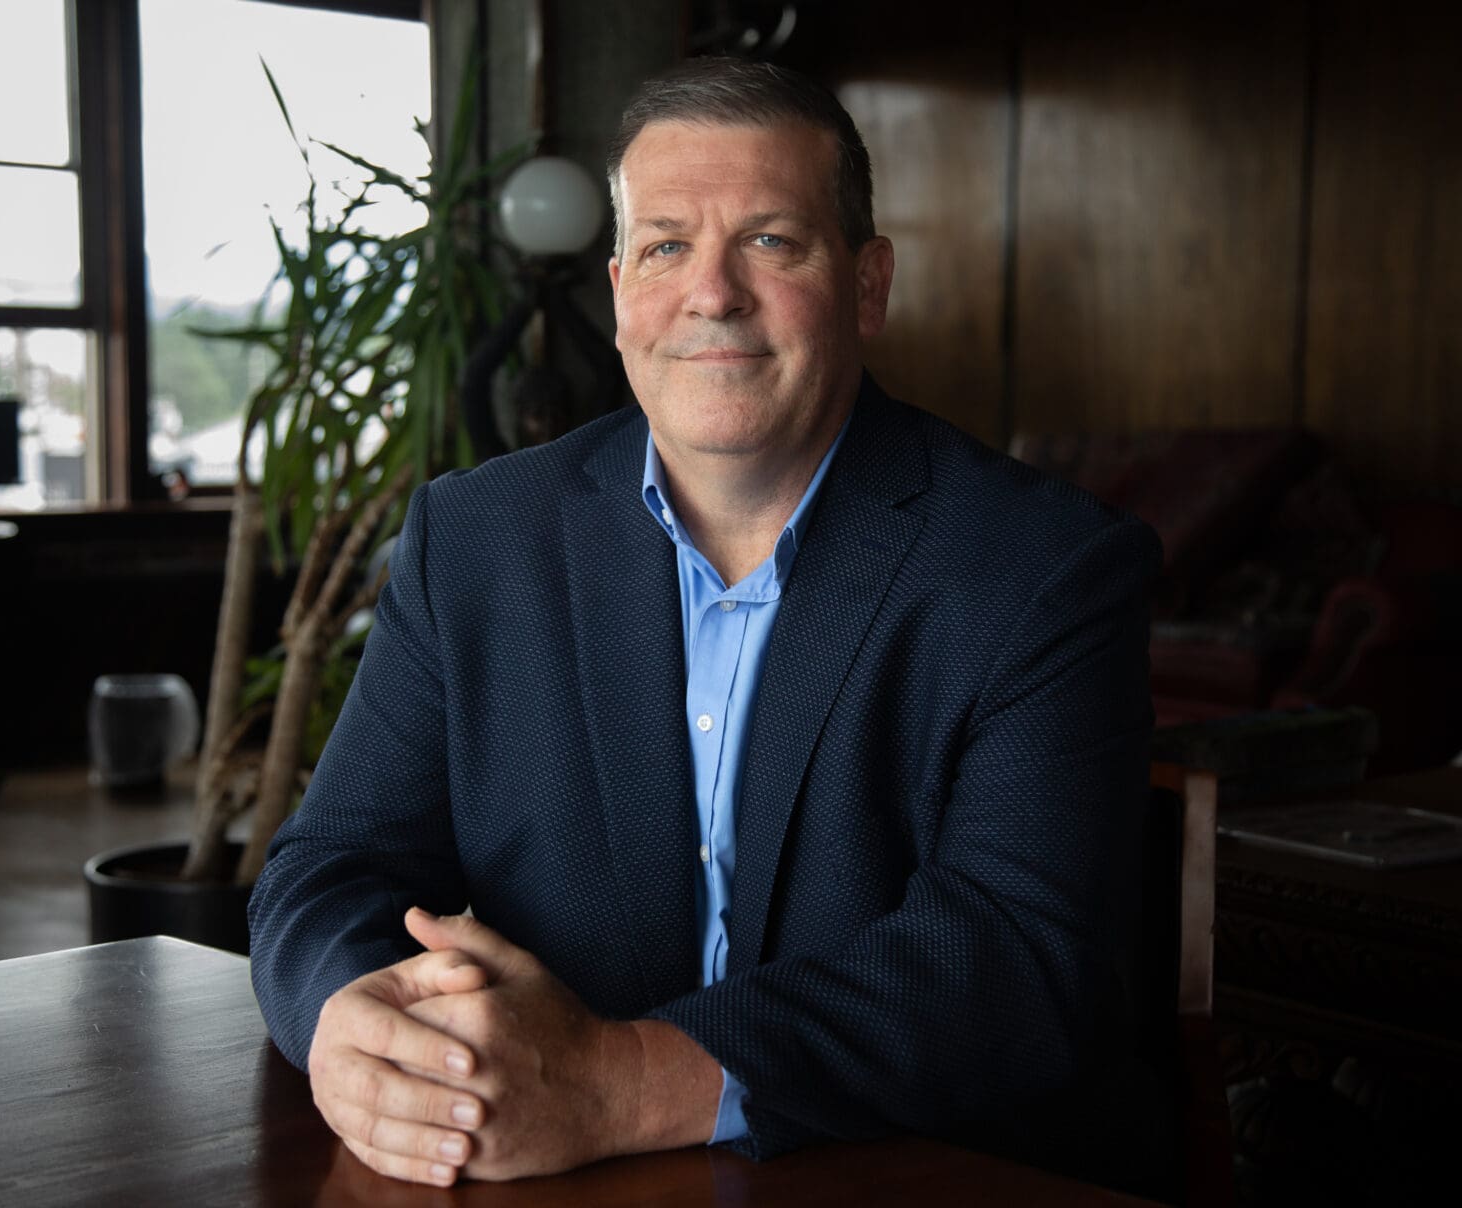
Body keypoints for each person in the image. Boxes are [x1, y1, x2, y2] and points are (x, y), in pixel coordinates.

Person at [248, 56, 1173, 1195]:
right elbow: (331, 867)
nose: (714, 293)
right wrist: (355, 1023)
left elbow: (1019, 958)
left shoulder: (1044, 567)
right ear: (620, 282)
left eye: (773, 241)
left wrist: (619, 1080)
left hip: (918, 1170)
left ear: (869, 283)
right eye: (668, 244)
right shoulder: (477, 538)